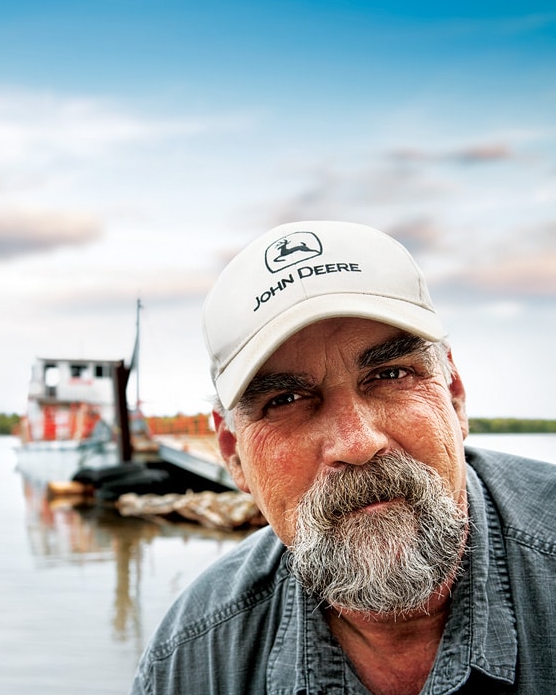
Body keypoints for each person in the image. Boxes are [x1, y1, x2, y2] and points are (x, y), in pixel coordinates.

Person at [132, 220, 556, 695]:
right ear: (233, 456)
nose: (356, 444)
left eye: (391, 374)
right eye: (287, 400)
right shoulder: (194, 660)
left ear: (454, 397)